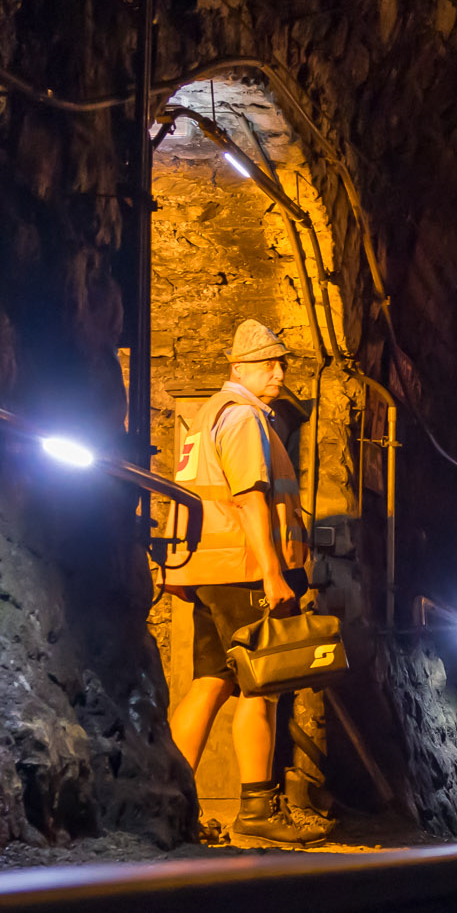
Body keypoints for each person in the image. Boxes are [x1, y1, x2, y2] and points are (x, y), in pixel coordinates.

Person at [165, 320, 327, 849]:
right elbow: (250, 499)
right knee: (266, 681)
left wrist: (178, 570)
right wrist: (273, 571)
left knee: (212, 681)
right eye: (267, 364)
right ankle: (257, 808)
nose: (279, 373)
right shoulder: (243, 421)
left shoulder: (208, 417)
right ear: (238, 368)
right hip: (242, 568)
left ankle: (169, 803)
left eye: (282, 364)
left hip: (210, 570)